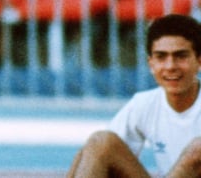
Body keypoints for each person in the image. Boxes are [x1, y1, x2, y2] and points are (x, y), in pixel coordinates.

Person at [67, 13, 201, 177]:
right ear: (150, 64)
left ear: (199, 61)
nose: (170, 66)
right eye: (161, 57)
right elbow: (92, 151)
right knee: (99, 142)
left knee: (197, 150)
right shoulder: (145, 104)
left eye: (181, 56)